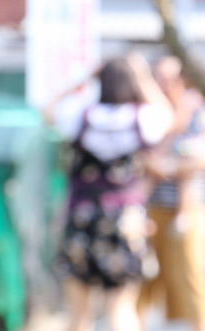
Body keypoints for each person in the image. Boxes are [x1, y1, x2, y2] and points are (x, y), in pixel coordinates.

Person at [44, 55, 173, 331]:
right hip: (126, 218)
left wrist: (85, 77)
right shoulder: (141, 118)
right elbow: (168, 115)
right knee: (121, 307)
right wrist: (143, 77)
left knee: (78, 312)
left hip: (82, 215)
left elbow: (48, 109)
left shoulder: (82, 116)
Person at [138, 56, 205, 331]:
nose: (165, 85)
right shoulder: (152, 116)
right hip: (154, 209)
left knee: (193, 277)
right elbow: (144, 160)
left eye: (171, 78)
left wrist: (172, 166)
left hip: (192, 210)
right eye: (159, 78)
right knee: (145, 280)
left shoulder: (202, 112)